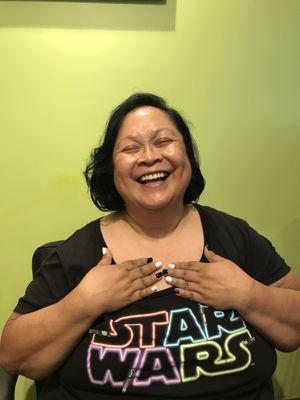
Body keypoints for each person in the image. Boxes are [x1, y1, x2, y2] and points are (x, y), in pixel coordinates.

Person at [0, 93, 299, 400]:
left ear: (187, 155)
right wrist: (82, 303)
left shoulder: (234, 236)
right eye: (131, 148)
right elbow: (13, 356)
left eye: (163, 141)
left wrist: (248, 294)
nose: (149, 157)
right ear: (112, 169)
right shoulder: (79, 252)